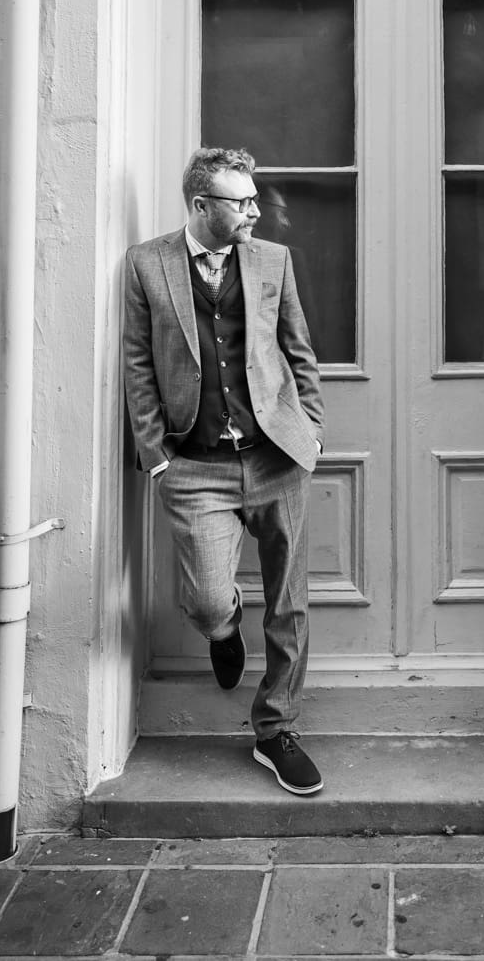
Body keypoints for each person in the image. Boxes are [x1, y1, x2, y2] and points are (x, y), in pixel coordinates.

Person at [123, 146, 325, 797]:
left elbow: (298, 349)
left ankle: (274, 730)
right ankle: (223, 625)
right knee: (208, 598)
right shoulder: (147, 263)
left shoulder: (272, 261)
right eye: (241, 202)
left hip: (275, 460)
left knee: (290, 606)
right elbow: (136, 365)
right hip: (195, 465)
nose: (254, 210)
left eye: (253, 199)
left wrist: (311, 432)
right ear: (201, 205)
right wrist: (156, 458)